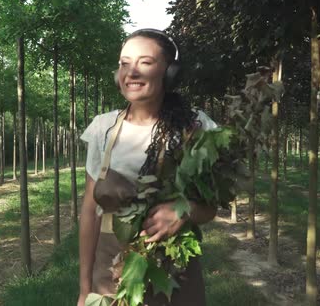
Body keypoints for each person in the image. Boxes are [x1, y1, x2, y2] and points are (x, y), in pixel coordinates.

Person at [77, 28, 218, 306]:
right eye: (124, 63)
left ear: (169, 73)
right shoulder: (103, 128)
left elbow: (211, 207)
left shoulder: (196, 127)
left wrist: (183, 211)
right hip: (109, 274)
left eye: (145, 62)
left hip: (174, 272)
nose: (132, 72)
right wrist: (84, 289)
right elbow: (90, 212)